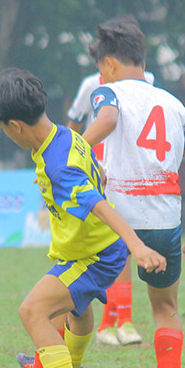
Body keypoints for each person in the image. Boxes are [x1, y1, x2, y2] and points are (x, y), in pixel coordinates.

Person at [0, 67, 167, 368]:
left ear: (16, 126)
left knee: (33, 311)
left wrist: (138, 247)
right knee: (76, 312)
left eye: (4, 128)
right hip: (92, 250)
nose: (6, 135)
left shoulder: (57, 165)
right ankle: (70, 365)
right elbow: (100, 173)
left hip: (94, 256)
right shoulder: (67, 136)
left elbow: (99, 202)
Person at [81, 15, 185, 368]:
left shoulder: (106, 94)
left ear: (107, 64)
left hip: (116, 223)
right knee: (165, 308)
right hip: (163, 226)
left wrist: (71, 148)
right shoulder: (175, 105)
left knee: (70, 298)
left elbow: (106, 122)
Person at [66, 69, 154, 347]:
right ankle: (120, 322)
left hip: (128, 172)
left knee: (121, 244)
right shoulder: (91, 84)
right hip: (99, 172)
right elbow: (74, 124)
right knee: (117, 244)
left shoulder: (147, 81)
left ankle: (112, 324)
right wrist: (65, 159)